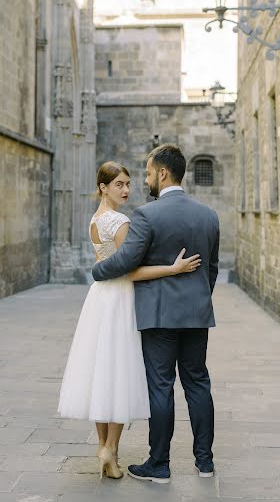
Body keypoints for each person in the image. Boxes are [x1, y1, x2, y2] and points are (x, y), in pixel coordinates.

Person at [57, 160, 201, 480]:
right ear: (102, 188)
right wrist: (172, 269)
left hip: (99, 298)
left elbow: (105, 261)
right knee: (119, 371)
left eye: (128, 183)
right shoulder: (119, 221)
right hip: (120, 298)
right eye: (118, 184)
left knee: (101, 371)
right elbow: (130, 269)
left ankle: (104, 449)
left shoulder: (95, 220)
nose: (126, 189)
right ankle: (111, 448)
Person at [92, 144, 219, 484]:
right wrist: (197, 299)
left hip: (158, 315)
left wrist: (98, 271)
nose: (145, 180)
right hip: (196, 314)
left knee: (161, 387)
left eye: (147, 173)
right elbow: (212, 270)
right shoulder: (208, 215)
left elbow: (126, 261)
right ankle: (205, 463)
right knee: (198, 383)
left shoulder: (149, 214)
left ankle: (159, 466)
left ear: (162, 173)